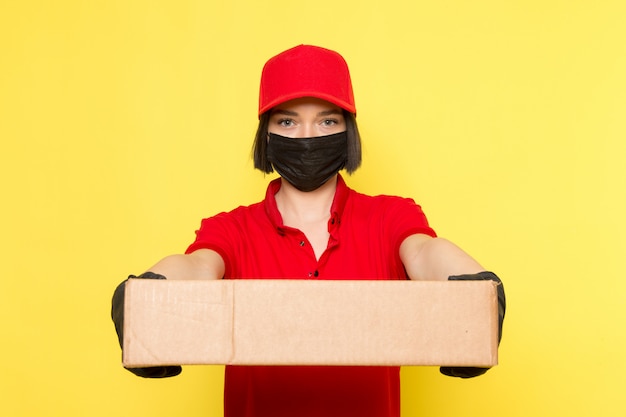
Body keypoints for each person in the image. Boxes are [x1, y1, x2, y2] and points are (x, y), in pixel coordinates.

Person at [112, 44, 506, 417]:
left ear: (347, 131)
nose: (307, 138)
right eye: (287, 121)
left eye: (327, 121)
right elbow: (197, 267)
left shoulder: (389, 217)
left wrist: (474, 288)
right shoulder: (233, 228)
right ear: (266, 135)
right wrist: (149, 291)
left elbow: (423, 252)